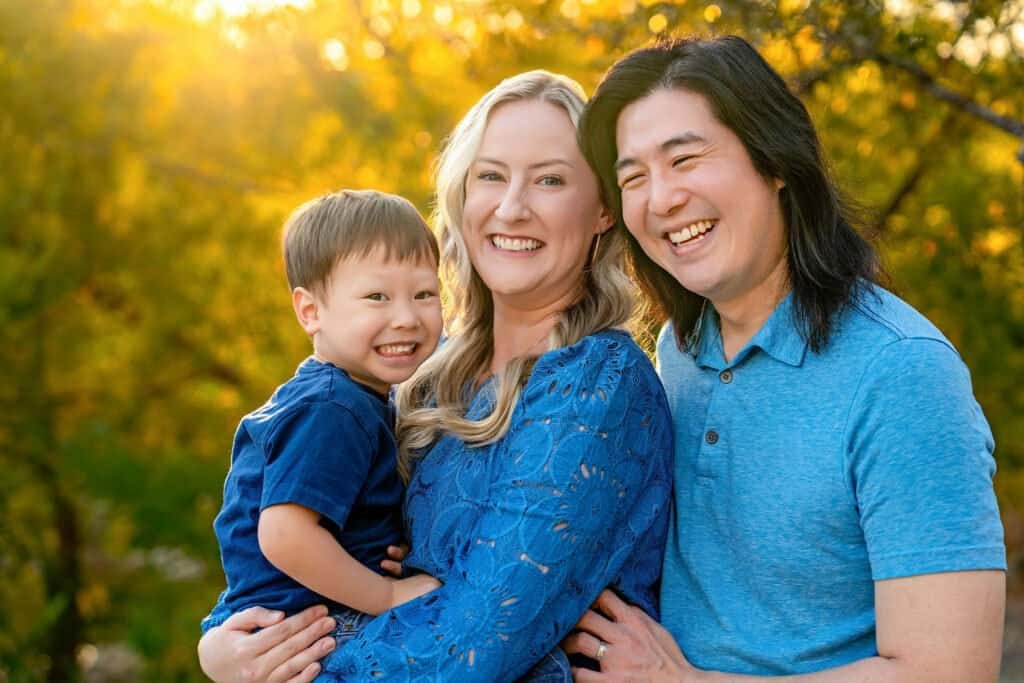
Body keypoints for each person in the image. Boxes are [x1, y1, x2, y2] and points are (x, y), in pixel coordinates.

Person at [196, 71, 674, 683]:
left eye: (549, 179)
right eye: (491, 176)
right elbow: (290, 528)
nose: (511, 207)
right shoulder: (419, 372)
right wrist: (229, 646)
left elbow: (471, 647)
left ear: (604, 208)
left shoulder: (598, 383)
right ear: (462, 195)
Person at [562, 35, 1007, 681]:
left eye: (685, 158)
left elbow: (950, 669)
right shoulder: (680, 352)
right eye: (634, 177)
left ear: (774, 161)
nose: (660, 199)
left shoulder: (902, 373)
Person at [202, 191, 445, 667]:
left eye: (425, 294)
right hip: (310, 625)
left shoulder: (348, 395)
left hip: (306, 615)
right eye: (377, 297)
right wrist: (386, 595)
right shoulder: (334, 409)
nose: (407, 317)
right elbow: (285, 534)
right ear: (311, 312)